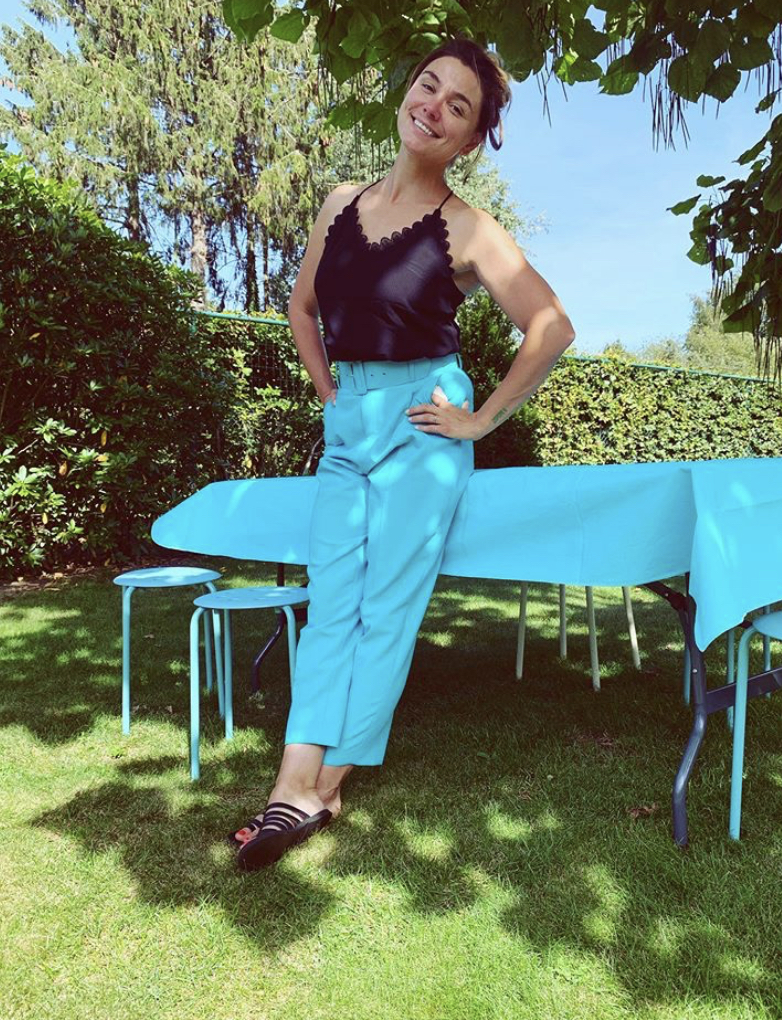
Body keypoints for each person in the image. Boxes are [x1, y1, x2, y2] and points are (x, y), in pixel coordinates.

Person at [231, 37, 576, 872]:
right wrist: (328, 390)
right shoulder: (339, 204)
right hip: (350, 422)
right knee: (331, 603)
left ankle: (312, 789)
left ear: (470, 139)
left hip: (425, 423)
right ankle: (300, 783)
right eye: (429, 87)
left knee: (385, 608)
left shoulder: (468, 228)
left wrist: (482, 419)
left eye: (459, 107)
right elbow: (302, 307)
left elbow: (551, 325)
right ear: (405, 94)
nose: (434, 108)